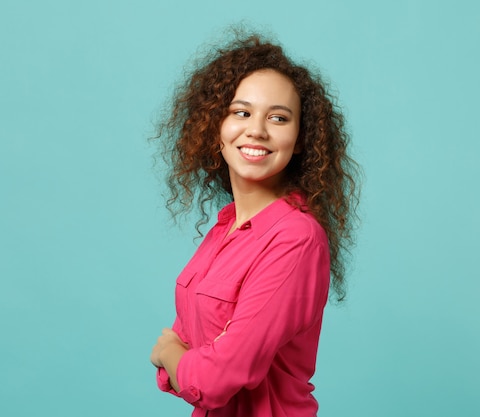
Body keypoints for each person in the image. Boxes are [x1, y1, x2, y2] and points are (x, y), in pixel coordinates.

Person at [150, 30, 360, 417]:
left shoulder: (296, 239)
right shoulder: (223, 229)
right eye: (241, 112)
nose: (257, 130)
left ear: (300, 139)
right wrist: (184, 360)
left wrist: (170, 353)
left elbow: (211, 378)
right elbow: (192, 364)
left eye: (278, 118)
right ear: (217, 125)